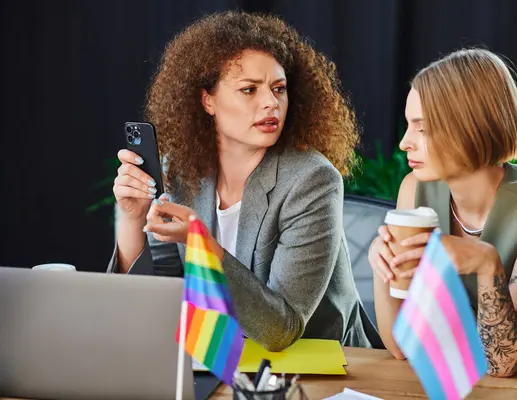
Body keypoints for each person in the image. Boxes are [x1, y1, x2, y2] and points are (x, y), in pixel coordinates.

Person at [108, 11, 383, 351]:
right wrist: (133, 220)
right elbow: (162, 295)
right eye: (249, 90)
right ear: (207, 100)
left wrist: (205, 248)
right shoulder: (181, 169)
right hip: (221, 355)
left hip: (318, 366)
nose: (271, 102)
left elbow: (281, 330)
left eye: (278, 89)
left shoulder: (312, 179)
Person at [369, 48, 517, 377]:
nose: (405, 142)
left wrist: (484, 262)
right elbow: (401, 345)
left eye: (422, 129)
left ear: (469, 126)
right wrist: (384, 269)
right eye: (409, 126)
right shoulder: (415, 190)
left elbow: (502, 364)